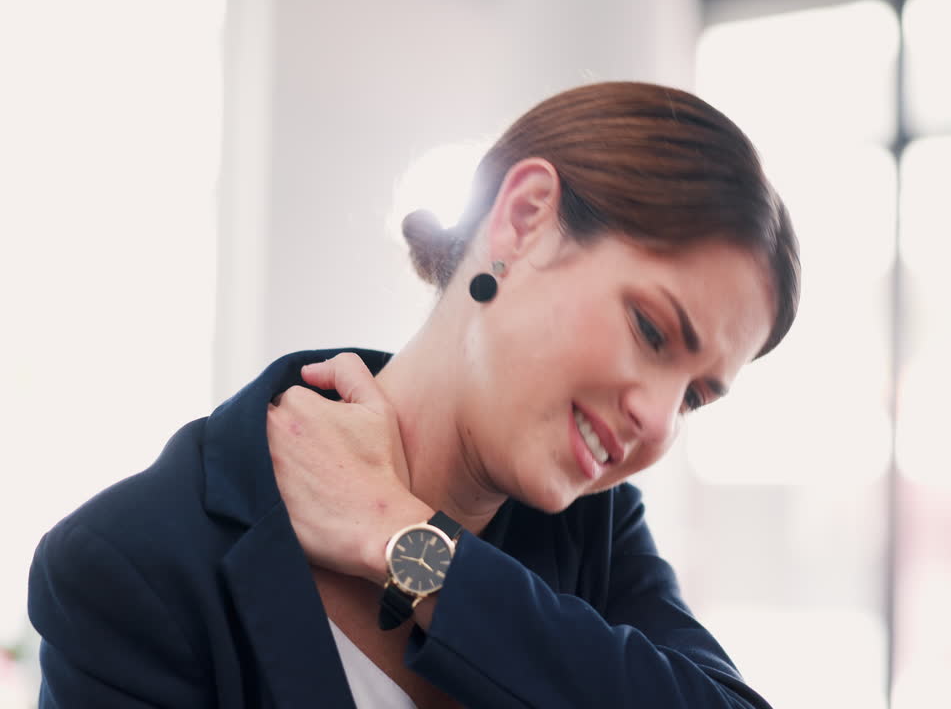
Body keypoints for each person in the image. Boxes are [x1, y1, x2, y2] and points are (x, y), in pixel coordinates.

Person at [27, 81, 800, 708]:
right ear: (525, 220)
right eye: (653, 331)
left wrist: (401, 539)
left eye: (695, 398)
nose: (657, 421)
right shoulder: (132, 567)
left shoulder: (592, 534)